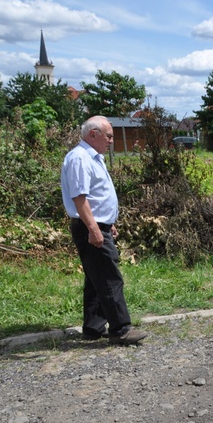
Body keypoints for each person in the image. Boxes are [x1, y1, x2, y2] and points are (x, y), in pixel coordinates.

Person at [60, 116, 148, 345]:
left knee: (96, 278)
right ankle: (120, 330)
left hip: (98, 224)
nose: (111, 140)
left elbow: (96, 197)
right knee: (110, 278)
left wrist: (108, 222)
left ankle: (93, 327)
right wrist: (94, 228)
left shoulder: (93, 158)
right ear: (93, 134)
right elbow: (80, 198)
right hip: (90, 227)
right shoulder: (80, 158)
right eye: (108, 136)